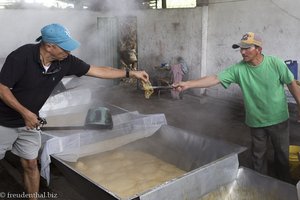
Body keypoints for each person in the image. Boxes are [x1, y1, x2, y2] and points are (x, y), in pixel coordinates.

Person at [0, 23, 149, 200]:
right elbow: (2, 89)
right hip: (3, 121)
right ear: (49, 46)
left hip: (29, 123)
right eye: (65, 48)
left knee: (31, 164)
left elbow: (99, 70)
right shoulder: (21, 57)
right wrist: (25, 113)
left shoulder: (65, 61)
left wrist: (131, 73)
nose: (69, 52)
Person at [173, 32, 300, 182]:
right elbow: (214, 78)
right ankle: (260, 185)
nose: (243, 52)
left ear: (259, 49)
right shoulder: (238, 69)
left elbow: (291, 83)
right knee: (258, 157)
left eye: (247, 48)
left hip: (278, 119)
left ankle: (285, 186)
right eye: (241, 48)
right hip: (256, 121)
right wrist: (188, 84)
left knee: (282, 155)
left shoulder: (275, 63)